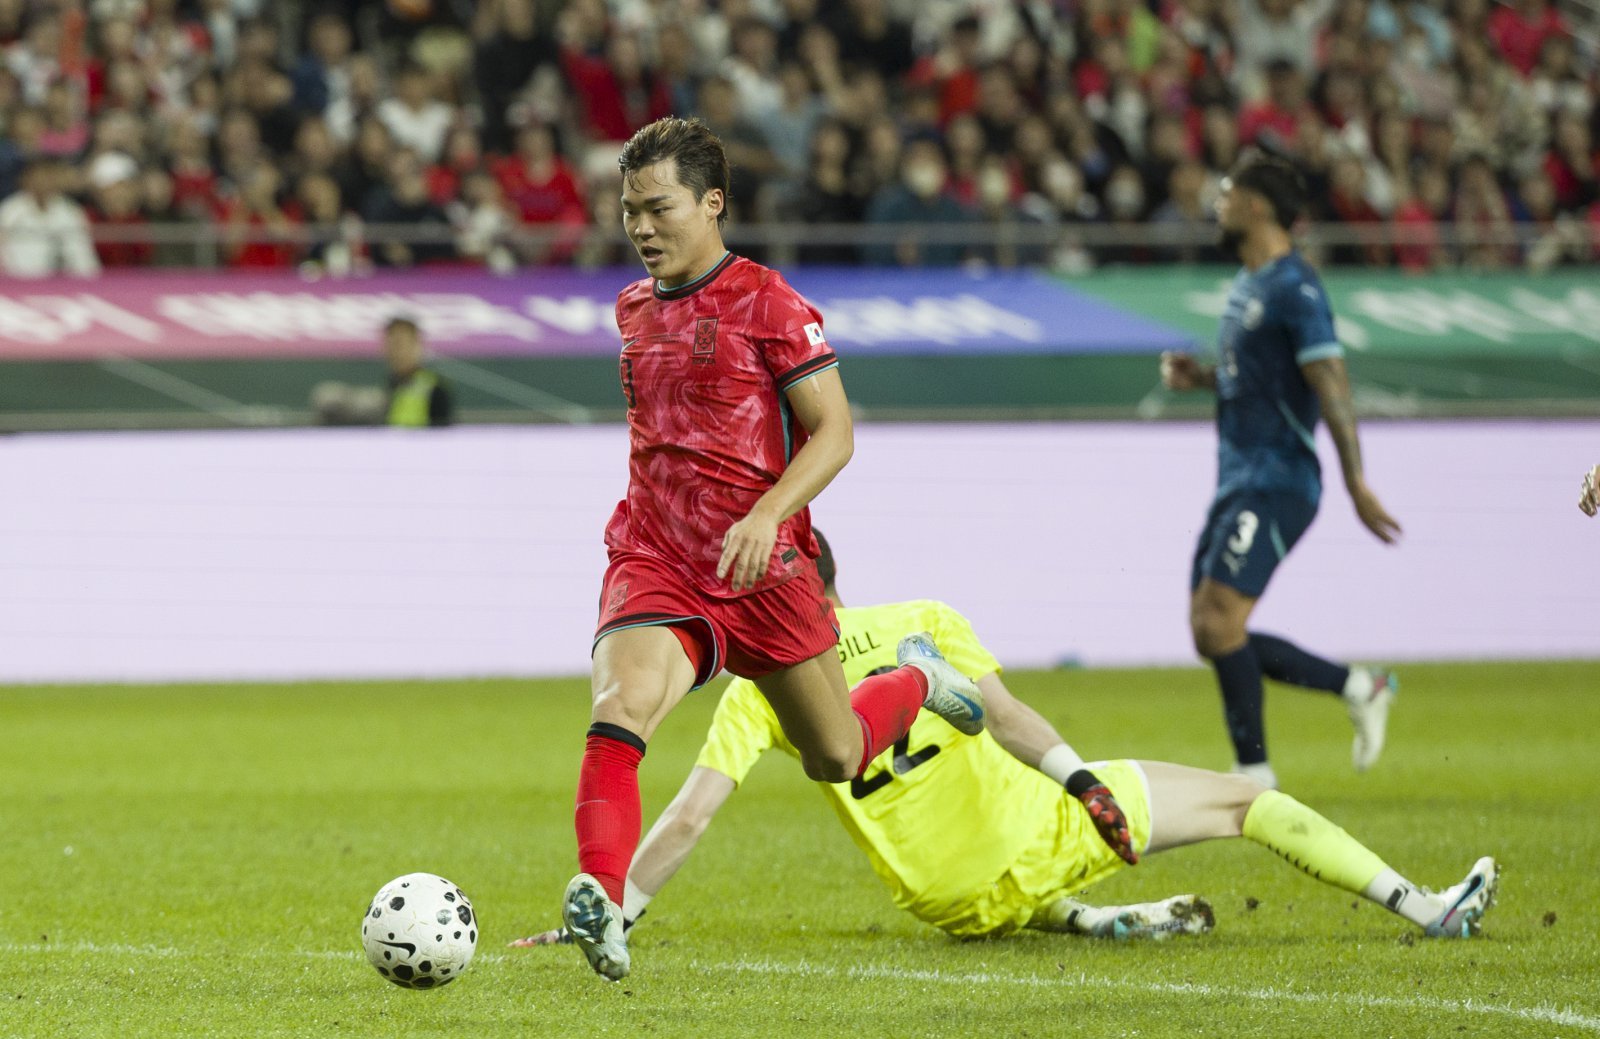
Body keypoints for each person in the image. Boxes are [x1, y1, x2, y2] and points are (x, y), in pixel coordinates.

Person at [517, 533, 1499, 949]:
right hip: (1035, 834)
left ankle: (1093, 920)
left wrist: (613, 911)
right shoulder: (923, 617)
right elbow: (1015, 720)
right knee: (1246, 801)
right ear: (831, 576)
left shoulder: (760, 686)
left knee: (1008, 881)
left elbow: (689, 817)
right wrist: (1081, 781)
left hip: (943, 899)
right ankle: (1427, 908)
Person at [564, 117, 988, 982]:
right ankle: (601, 899)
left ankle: (916, 678)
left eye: (658, 207)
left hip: (763, 565)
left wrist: (766, 515)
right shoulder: (632, 307)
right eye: (629, 210)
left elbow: (835, 432)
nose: (640, 227)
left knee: (836, 755)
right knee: (621, 702)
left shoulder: (770, 303)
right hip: (656, 552)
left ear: (712, 202)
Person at [1159, 154, 1403, 791]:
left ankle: (1254, 773)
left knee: (1219, 620)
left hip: (1280, 479)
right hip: (1239, 477)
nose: (1218, 204)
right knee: (1209, 630)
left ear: (1258, 205)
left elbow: (1330, 380)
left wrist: (1356, 481)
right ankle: (1359, 687)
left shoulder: (1296, 287)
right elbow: (1258, 378)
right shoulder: (1249, 284)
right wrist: (1204, 377)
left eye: (1227, 193)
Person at [0, 157, 100, 277]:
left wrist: (89, 277)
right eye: (39, 175)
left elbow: (82, 252)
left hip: (65, 281)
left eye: (49, 176)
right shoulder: (9, 211)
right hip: (18, 280)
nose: (44, 181)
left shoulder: (71, 211)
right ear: (25, 179)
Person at [383, 316, 453, 427]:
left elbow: (443, 433)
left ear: (417, 345)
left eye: (400, 344)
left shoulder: (435, 389)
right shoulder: (390, 385)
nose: (395, 352)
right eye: (390, 345)